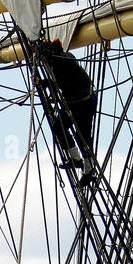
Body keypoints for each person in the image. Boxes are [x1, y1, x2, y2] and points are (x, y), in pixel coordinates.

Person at [40, 39, 96, 180]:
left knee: (82, 135)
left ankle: (89, 170)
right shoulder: (54, 65)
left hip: (84, 102)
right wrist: (43, 83)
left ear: (51, 52)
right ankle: (76, 159)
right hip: (71, 104)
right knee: (58, 127)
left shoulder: (65, 57)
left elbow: (67, 63)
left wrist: (51, 57)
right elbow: (57, 82)